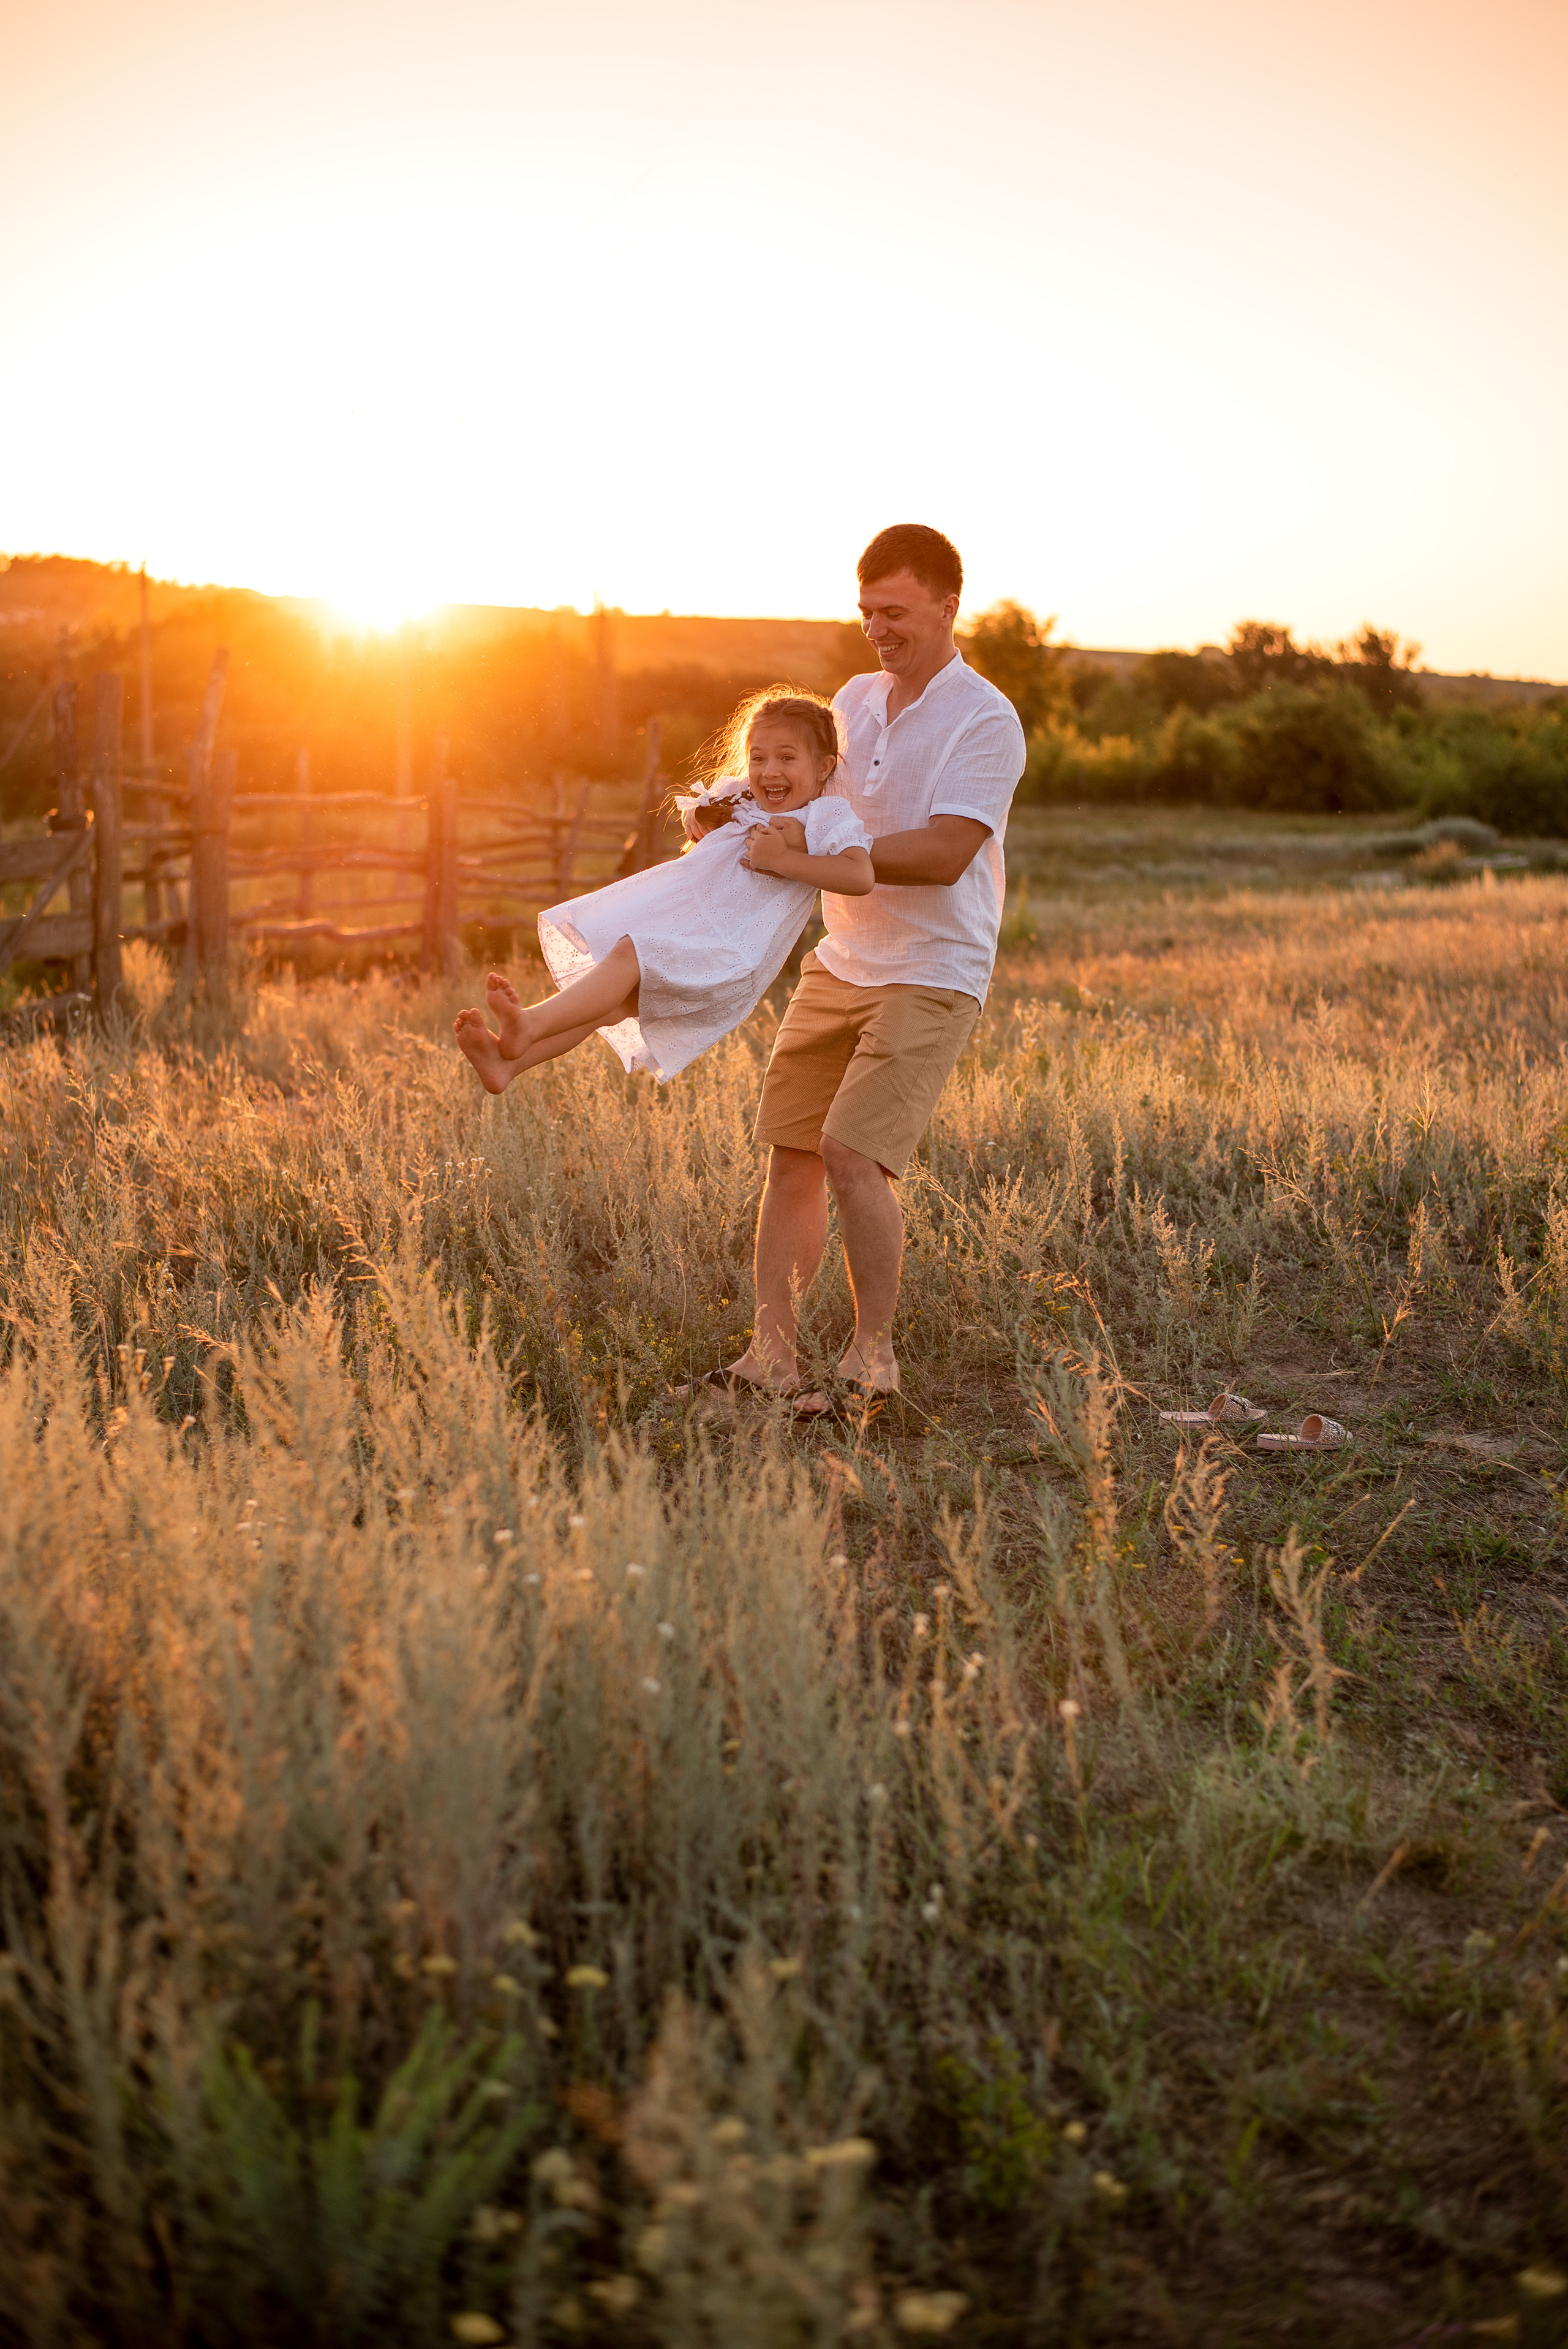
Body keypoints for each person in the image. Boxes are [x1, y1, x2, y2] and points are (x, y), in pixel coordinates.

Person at [696, 523, 1027, 1415]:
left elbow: (950, 850)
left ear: (949, 606)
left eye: (896, 611)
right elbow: (803, 793)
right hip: (842, 958)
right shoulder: (852, 696)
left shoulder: (985, 719)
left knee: (851, 1152)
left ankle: (872, 1358)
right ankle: (772, 1355)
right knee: (793, 1155)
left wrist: (823, 852)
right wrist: (730, 812)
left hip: (933, 965)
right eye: (866, 612)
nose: (878, 628)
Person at [452, 689, 873, 1094]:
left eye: (787, 758)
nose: (769, 771)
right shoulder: (744, 798)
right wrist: (702, 820)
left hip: (729, 950)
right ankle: (507, 1065)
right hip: (692, 930)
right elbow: (701, 815)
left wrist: (781, 860)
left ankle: (529, 1024)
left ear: (823, 768)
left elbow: (859, 876)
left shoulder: (824, 816)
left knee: (631, 953)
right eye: (758, 758)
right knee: (612, 1003)